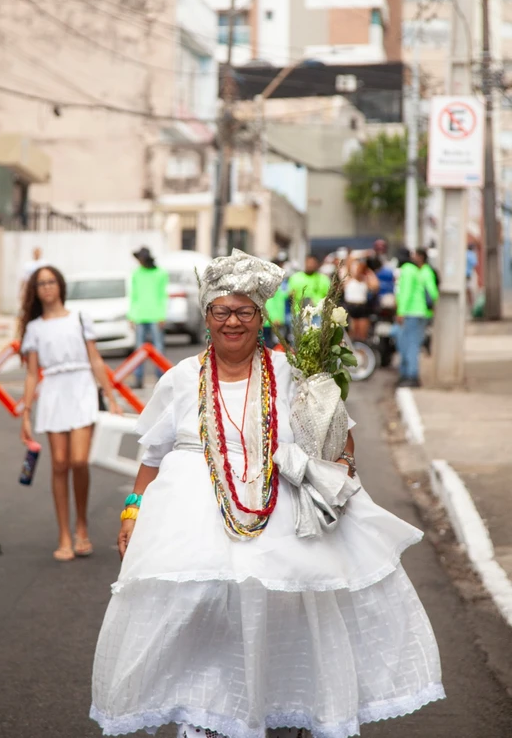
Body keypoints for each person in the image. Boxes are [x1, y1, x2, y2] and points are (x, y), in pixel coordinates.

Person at [91, 248, 444, 738]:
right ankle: (208, 714)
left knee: (280, 613)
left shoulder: (292, 372)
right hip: (189, 518)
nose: (232, 321)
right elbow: (151, 456)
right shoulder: (180, 379)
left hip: (280, 511)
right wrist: (132, 512)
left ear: (261, 317)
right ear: (206, 316)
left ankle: (283, 708)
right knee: (199, 612)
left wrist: (337, 467)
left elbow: (339, 438)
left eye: (244, 311)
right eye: (221, 311)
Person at [20, 265, 123, 562]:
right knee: (59, 464)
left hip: (81, 388)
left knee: (79, 460)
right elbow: (31, 374)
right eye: (41, 283)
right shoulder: (35, 328)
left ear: (60, 285)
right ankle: (65, 534)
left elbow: (95, 359)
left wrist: (111, 398)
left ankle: (82, 525)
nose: (47, 287)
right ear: (35, 290)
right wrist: (26, 412)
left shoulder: (79, 317)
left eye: (51, 281)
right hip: (53, 390)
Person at [128, 247, 168, 390]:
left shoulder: (160, 273)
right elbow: (133, 296)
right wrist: (131, 316)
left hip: (155, 315)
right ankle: (138, 378)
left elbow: (163, 295)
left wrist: (162, 315)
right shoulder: (136, 274)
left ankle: (161, 378)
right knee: (139, 350)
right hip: (140, 315)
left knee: (158, 349)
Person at [396, 250, 430, 387]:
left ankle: (412, 376)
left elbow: (405, 293)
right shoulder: (414, 269)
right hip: (418, 312)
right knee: (409, 344)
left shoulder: (407, 270)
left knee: (410, 345)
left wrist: (401, 312)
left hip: (412, 313)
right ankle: (407, 374)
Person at [342, 258, 379, 341]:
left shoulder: (365, 280)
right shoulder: (348, 280)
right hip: (350, 308)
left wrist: (368, 271)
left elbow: (376, 286)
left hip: (362, 308)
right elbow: (348, 261)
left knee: (362, 336)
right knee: (352, 335)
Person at [262, 259, 288, 348]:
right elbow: (271, 303)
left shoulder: (279, 283)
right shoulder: (271, 284)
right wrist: (275, 318)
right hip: (270, 321)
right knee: (269, 346)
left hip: (272, 321)